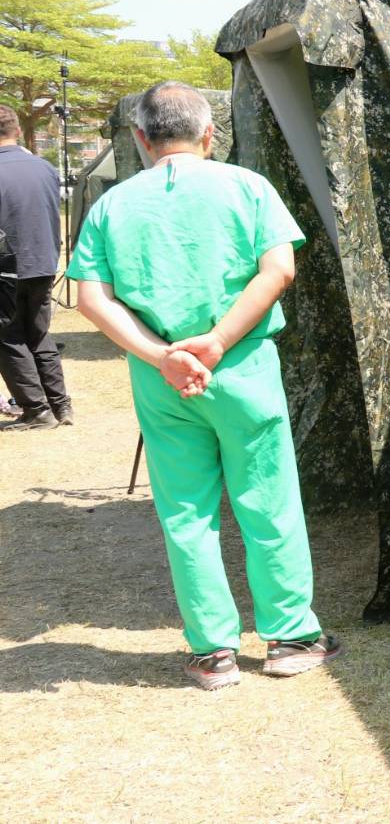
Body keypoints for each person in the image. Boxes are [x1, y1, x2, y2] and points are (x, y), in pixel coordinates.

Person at [68, 81, 341, 690]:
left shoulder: (112, 205)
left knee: (186, 513)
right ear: (210, 133)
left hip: (162, 380)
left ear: (140, 138)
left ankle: (212, 652)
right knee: (268, 501)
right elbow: (279, 269)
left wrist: (161, 356)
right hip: (242, 368)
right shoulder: (248, 187)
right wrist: (216, 341)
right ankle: (292, 638)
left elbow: (91, 298)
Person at [0, 104, 73, 431]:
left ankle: (37, 410)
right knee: (39, 334)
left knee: (9, 338)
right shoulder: (45, 167)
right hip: (43, 262)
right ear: (17, 130)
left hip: (7, 268)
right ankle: (61, 405)